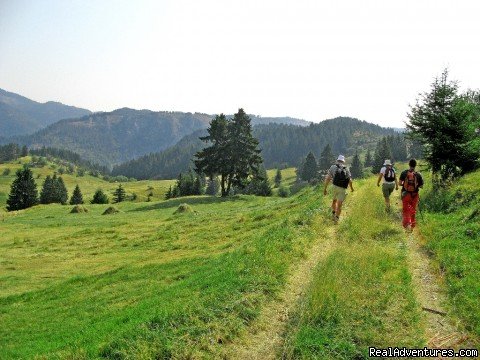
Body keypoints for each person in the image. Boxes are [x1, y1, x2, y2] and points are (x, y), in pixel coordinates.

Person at [323, 155, 354, 224]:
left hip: (334, 187)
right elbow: (350, 180)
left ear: (337, 160)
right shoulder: (346, 168)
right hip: (342, 188)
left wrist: (325, 189)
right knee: (339, 205)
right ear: (343, 161)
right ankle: (336, 219)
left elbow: (328, 178)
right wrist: (352, 188)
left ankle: (333, 213)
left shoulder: (333, 167)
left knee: (334, 201)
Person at [399, 158, 424, 232]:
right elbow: (421, 186)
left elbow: (400, 183)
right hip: (415, 195)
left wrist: (406, 184)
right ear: (415, 165)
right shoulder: (418, 174)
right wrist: (415, 185)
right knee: (413, 210)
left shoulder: (404, 173)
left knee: (406, 210)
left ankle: (407, 226)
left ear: (409, 165)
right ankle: (412, 226)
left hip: (405, 194)